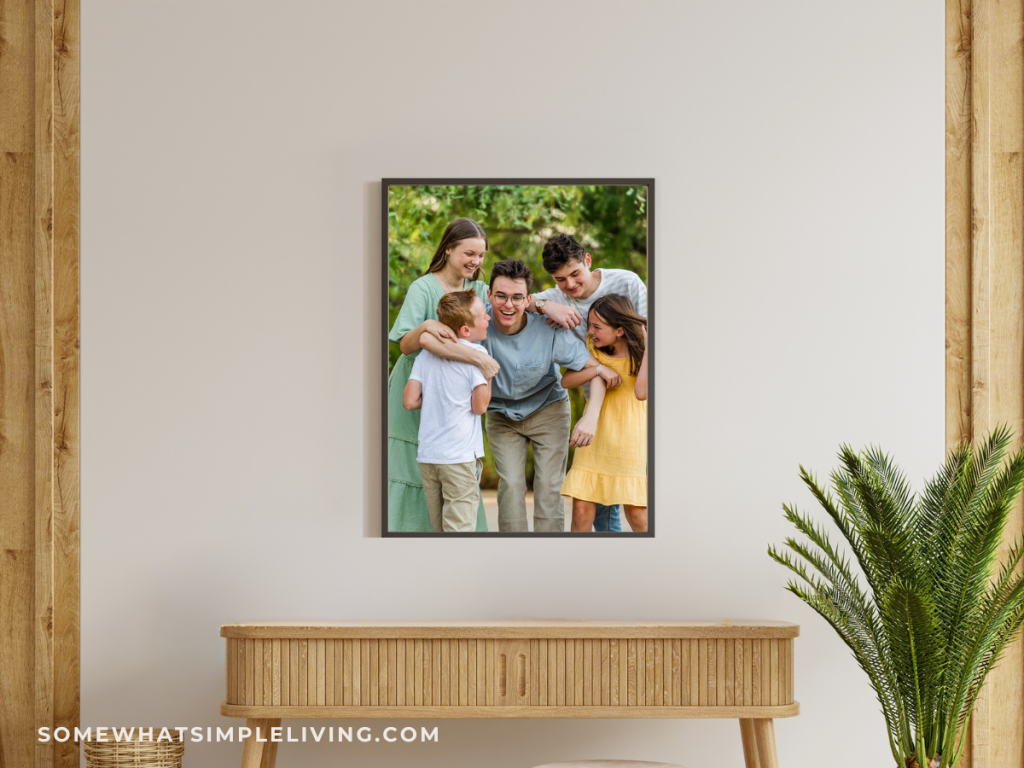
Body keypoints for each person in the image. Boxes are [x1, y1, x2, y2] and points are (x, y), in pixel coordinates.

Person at [422, 259, 617, 531]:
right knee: (512, 485)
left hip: (548, 409)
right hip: (501, 415)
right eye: (501, 296)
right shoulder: (477, 322)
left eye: (517, 297)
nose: (508, 305)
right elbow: (428, 339)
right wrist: (479, 360)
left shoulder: (549, 329)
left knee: (549, 486)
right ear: (489, 296)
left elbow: (592, 367)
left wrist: (591, 413)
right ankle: (513, 554)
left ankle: (547, 559)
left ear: (528, 300)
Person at [527, 233, 648, 532]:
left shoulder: (627, 283)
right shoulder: (555, 297)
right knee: (595, 504)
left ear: (588, 261)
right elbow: (512, 298)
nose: (569, 285)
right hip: (595, 401)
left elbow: (650, 331)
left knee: (621, 505)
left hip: (631, 402)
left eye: (575, 273)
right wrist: (544, 306)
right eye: (560, 279)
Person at [387, 218, 500, 533]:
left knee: (455, 474)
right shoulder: (423, 288)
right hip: (418, 387)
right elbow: (407, 346)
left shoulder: (478, 289)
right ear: (448, 249)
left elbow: (514, 302)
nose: (476, 261)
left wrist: (546, 305)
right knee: (414, 468)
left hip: (454, 396)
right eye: (469, 253)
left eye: (480, 255)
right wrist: (424, 327)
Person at [403, 290, 493, 532]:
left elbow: (410, 401)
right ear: (465, 330)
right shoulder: (477, 356)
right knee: (459, 532)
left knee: (439, 530)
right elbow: (480, 406)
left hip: (429, 457)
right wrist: (489, 375)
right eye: (484, 315)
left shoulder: (426, 354)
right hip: (459, 458)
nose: (488, 319)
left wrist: (438, 398)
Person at [561, 294, 648, 532]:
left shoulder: (642, 354)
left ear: (619, 330)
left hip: (630, 437)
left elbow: (641, 393)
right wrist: (598, 370)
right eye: (590, 325)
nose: (590, 332)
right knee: (580, 513)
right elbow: (566, 380)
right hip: (595, 435)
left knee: (638, 515)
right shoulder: (593, 350)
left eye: (597, 327)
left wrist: (650, 348)